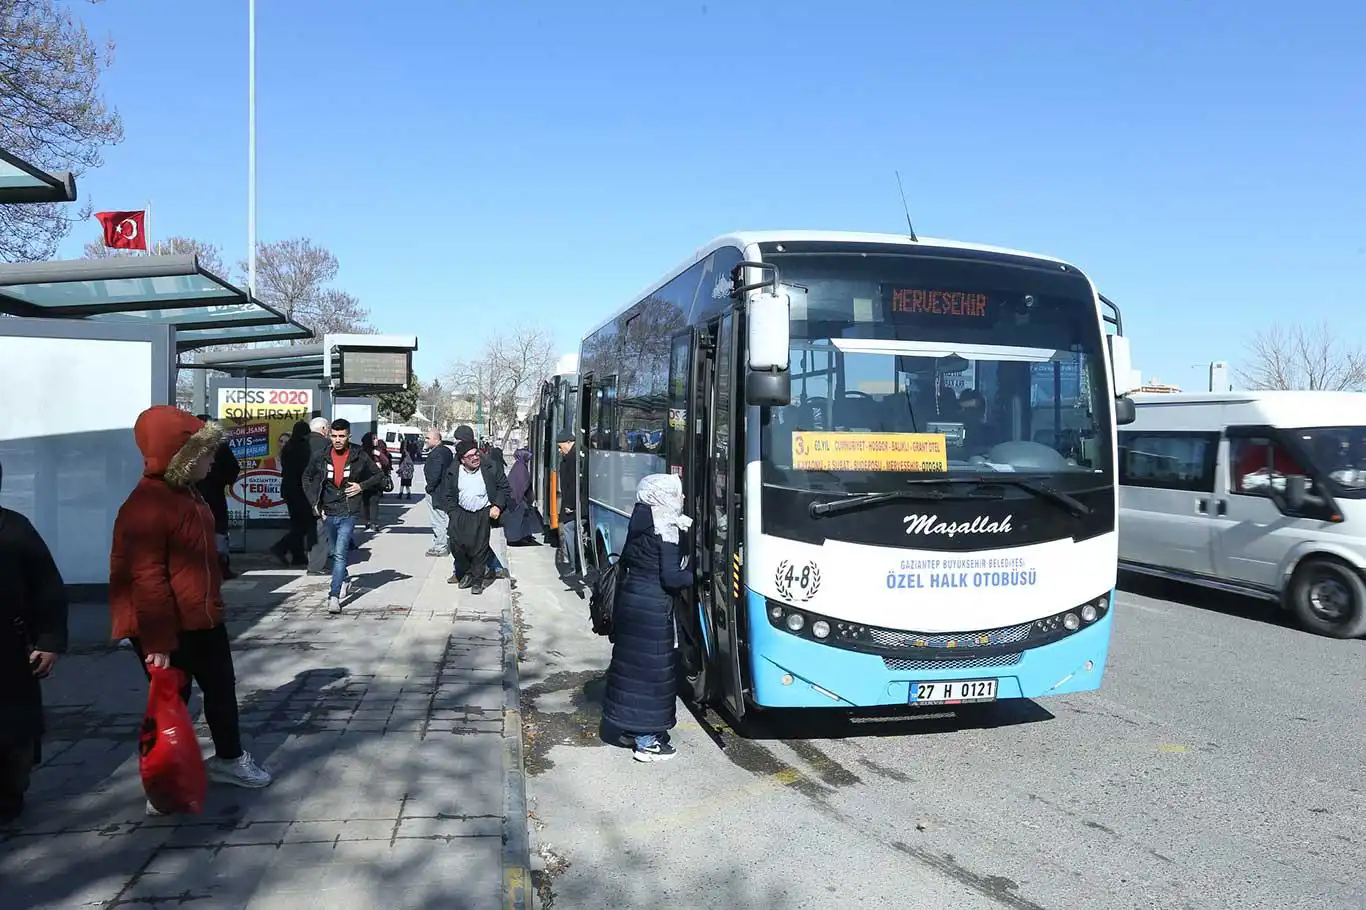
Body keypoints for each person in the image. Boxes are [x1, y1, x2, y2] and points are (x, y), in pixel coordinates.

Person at [110, 406, 272, 813]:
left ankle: (230, 760)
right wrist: (158, 641)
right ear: (182, 455)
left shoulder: (187, 492)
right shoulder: (147, 504)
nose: (214, 459)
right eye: (206, 451)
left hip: (201, 615)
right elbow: (146, 578)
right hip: (167, 626)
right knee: (172, 700)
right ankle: (165, 783)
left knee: (220, 688)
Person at [600, 474, 693, 763]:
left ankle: (628, 728)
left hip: (632, 604)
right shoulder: (666, 526)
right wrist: (700, 575)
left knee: (632, 669)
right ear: (663, 496)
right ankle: (646, 742)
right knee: (652, 674)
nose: (683, 498)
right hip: (654, 609)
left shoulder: (641, 516)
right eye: (677, 493)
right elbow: (671, 577)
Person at [0, 458, 69, 824]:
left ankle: (11, 795)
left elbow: (48, 588)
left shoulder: (14, 529)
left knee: (15, 735)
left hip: (9, 650)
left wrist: (50, 640)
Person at [302, 419, 384, 614]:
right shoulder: (321, 455)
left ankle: (333, 595)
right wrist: (315, 502)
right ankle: (344, 578)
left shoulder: (358, 454)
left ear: (348, 436)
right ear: (330, 435)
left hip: (349, 510)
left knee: (340, 553)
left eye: (342, 436)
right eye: (334, 436)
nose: (337, 440)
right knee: (333, 551)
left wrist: (360, 486)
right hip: (327, 509)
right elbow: (307, 477)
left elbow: (378, 475)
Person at [440, 439, 510, 595]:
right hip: (460, 513)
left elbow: (504, 488)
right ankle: (467, 573)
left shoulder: (491, 467)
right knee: (456, 546)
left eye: (476, 453)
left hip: (482, 513)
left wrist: (497, 505)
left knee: (480, 548)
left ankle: (477, 581)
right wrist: (452, 512)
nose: (475, 458)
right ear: (462, 459)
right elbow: (447, 494)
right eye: (470, 456)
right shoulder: (453, 471)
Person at [195, 415, 241, 580]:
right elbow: (233, 468)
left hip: (200, 495)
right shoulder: (219, 445)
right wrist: (221, 481)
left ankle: (208, 566)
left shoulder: (189, 446)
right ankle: (221, 565)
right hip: (213, 495)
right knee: (218, 531)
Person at [270, 420, 315, 566]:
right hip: (300, 490)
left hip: (288, 489)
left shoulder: (288, 447)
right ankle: (280, 547)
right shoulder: (304, 448)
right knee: (304, 525)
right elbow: (305, 470)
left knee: (296, 523)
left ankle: (298, 556)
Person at [304, 417, 334, 575]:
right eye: (328, 428)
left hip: (296, 493)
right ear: (323, 429)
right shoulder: (326, 445)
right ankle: (316, 566)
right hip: (317, 493)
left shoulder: (296, 444)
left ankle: (304, 558)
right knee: (319, 530)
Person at [502, 447, 543, 545]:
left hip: (516, 498)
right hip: (517, 499)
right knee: (520, 519)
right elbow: (521, 486)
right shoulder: (521, 467)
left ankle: (522, 538)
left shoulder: (518, 466)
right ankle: (517, 539)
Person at [423, 427, 453, 557]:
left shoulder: (437, 453)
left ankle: (440, 546)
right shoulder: (445, 451)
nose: (426, 440)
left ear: (436, 439)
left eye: (428, 438)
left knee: (438, 519)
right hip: (444, 490)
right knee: (443, 518)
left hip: (437, 491)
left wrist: (429, 488)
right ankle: (443, 544)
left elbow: (435, 474)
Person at [556, 431, 580, 575]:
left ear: (569, 442)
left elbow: (574, 484)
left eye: (561, 447)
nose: (560, 450)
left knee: (569, 528)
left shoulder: (574, 458)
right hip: (573, 503)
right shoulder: (572, 456)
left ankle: (573, 563)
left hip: (574, 505)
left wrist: (570, 506)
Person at [358, 432, 391, 531]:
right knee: (365, 502)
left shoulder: (377, 451)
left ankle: (372, 522)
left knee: (373, 501)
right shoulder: (361, 451)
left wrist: (379, 454)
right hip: (364, 479)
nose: (376, 440)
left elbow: (386, 462)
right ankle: (368, 521)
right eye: (374, 438)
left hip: (375, 480)